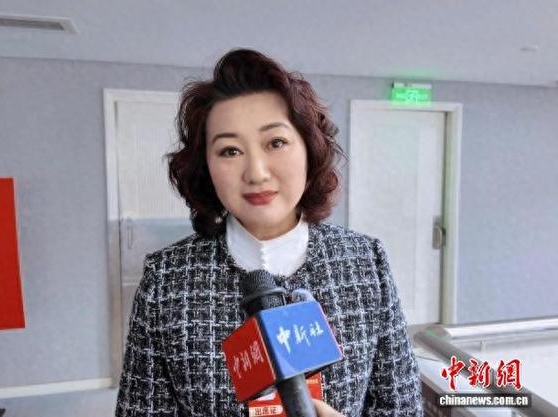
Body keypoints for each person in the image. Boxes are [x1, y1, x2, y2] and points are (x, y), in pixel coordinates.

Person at [115, 48, 423, 417]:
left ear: (309, 149)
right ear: (206, 166)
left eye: (275, 143)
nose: (256, 173)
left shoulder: (366, 262)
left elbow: (401, 407)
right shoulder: (165, 279)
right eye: (230, 151)